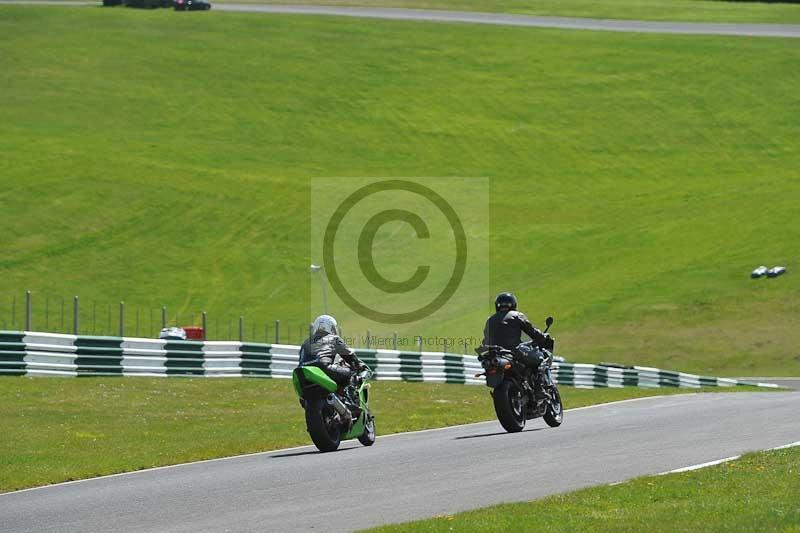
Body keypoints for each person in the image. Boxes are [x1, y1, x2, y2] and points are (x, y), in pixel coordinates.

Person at [481, 292, 553, 401]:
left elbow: (485, 339)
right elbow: (532, 331)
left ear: (497, 306)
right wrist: (542, 337)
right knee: (539, 360)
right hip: (514, 352)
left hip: (495, 354)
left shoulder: (489, 320)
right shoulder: (517, 315)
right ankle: (539, 391)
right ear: (514, 304)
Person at [299, 315, 365, 401]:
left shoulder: (305, 342)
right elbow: (349, 356)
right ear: (330, 327)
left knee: (304, 397)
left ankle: (305, 401)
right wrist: (359, 366)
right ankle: (350, 400)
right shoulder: (334, 338)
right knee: (351, 373)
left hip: (302, 373)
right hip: (324, 368)